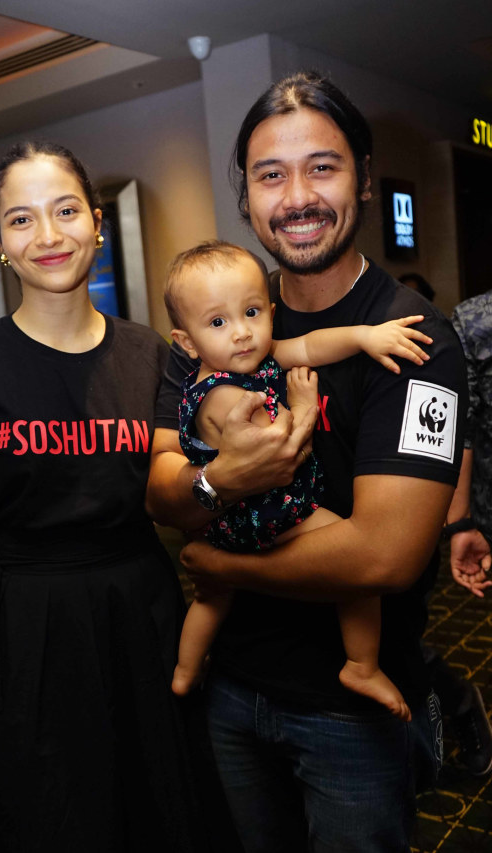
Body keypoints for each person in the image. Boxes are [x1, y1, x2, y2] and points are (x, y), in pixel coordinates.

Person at [148, 71, 468, 852]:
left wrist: (214, 557)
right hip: (229, 689)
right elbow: (163, 490)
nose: (296, 195)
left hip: (350, 714)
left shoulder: (416, 336)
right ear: (247, 194)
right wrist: (225, 480)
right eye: (270, 174)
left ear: (361, 177)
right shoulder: (217, 318)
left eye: (321, 166)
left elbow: (386, 556)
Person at [0, 141, 236, 852]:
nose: (48, 236)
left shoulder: (153, 355)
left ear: (96, 222)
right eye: (21, 220)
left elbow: (184, 488)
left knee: (159, 814)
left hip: (139, 615)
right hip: (21, 631)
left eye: (64, 211)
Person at [165, 239, 432, 721]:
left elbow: (311, 346)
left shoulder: (252, 361)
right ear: (186, 342)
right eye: (218, 323)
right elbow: (281, 448)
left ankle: (185, 671)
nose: (243, 334)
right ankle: (361, 664)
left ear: (268, 311)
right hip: (269, 512)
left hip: (224, 524)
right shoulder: (220, 396)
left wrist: (366, 337)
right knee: (356, 569)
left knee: (211, 598)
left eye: (251, 313)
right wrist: (305, 407)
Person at [442, 290, 492, 775]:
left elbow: (466, 430)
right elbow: (465, 429)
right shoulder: (476, 322)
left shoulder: (474, 320)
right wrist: (461, 522)